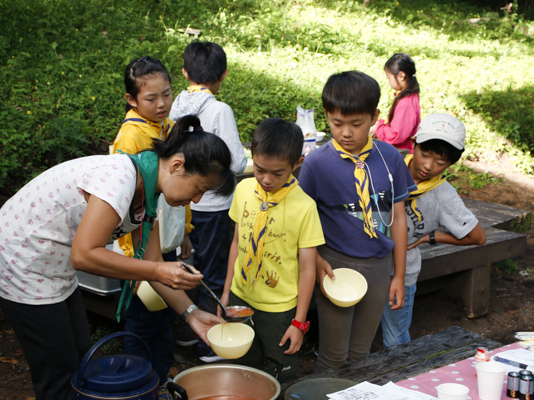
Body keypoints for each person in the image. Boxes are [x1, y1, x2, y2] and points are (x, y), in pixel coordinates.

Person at [0, 115, 234, 400]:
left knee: (81, 361)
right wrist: (157, 271)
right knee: (58, 374)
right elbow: (85, 255)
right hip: (22, 258)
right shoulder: (119, 179)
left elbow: (152, 262)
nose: (196, 201)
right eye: (199, 189)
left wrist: (192, 315)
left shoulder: (151, 192)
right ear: (177, 165)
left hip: (54, 264)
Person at [298, 71, 416, 372]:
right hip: (335, 265)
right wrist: (319, 260)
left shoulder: (390, 159)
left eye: (357, 124)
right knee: (333, 355)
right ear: (326, 115)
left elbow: (399, 218)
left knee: (361, 353)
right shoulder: (316, 164)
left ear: (375, 117)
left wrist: (398, 275)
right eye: (337, 124)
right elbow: (301, 221)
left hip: (379, 266)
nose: (346, 133)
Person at [112, 56, 193, 394]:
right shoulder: (131, 138)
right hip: (141, 253)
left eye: (167, 94)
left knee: (163, 320)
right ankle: (138, 384)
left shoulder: (170, 128)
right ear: (131, 100)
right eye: (151, 98)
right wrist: (139, 261)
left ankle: (159, 381)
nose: (161, 104)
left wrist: (185, 230)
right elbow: (120, 202)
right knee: (142, 324)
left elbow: (186, 183)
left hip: (168, 241)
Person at [221, 118, 324, 383]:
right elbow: (237, 243)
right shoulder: (243, 189)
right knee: (244, 366)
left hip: (278, 309)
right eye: (260, 169)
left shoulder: (304, 207)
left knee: (280, 371)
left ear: (296, 164)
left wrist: (299, 323)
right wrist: (226, 294)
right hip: (240, 297)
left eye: (278, 173)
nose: (267, 179)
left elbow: (308, 268)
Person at [380, 113, 486, 349]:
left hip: (402, 271)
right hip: (369, 264)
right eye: (424, 154)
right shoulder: (389, 167)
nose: (428, 165)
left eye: (440, 162)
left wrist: (431, 237)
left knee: (396, 339)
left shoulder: (443, 195)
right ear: (414, 144)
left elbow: (478, 237)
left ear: (451, 163)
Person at [169, 41, 247, 362]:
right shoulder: (219, 110)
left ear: (185, 72)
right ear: (224, 74)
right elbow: (237, 163)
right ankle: (210, 343)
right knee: (212, 273)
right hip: (214, 208)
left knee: (186, 267)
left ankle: (186, 332)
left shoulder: (172, 106)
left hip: (181, 206)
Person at [371, 53, 421, 154]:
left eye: (389, 78)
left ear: (401, 76)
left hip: (401, 155)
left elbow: (396, 135)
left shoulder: (406, 103)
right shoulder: (410, 96)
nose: (389, 82)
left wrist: (378, 128)